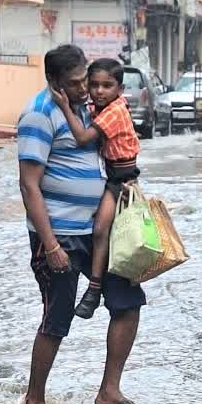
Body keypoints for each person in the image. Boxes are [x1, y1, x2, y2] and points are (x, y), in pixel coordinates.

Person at [17, 43, 151, 404]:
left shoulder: (87, 108)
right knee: (57, 317)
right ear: (55, 81)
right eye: (76, 83)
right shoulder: (40, 115)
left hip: (102, 231)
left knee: (127, 303)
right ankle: (33, 400)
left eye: (87, 82)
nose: (85, 89)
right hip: (59, 234)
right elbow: (29, 187)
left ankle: (109, 392)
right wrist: (53, 245)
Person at [48, 57, 140, 320]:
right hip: (111, 173)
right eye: (95, 85)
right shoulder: (99, 105)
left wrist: (65, 107)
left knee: (101, 230)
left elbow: (82, 137)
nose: (99, 91)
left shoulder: (114, 111)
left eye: (107, 86)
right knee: (107, 232)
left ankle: (95, 288)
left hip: (121, 177)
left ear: (119, 90)